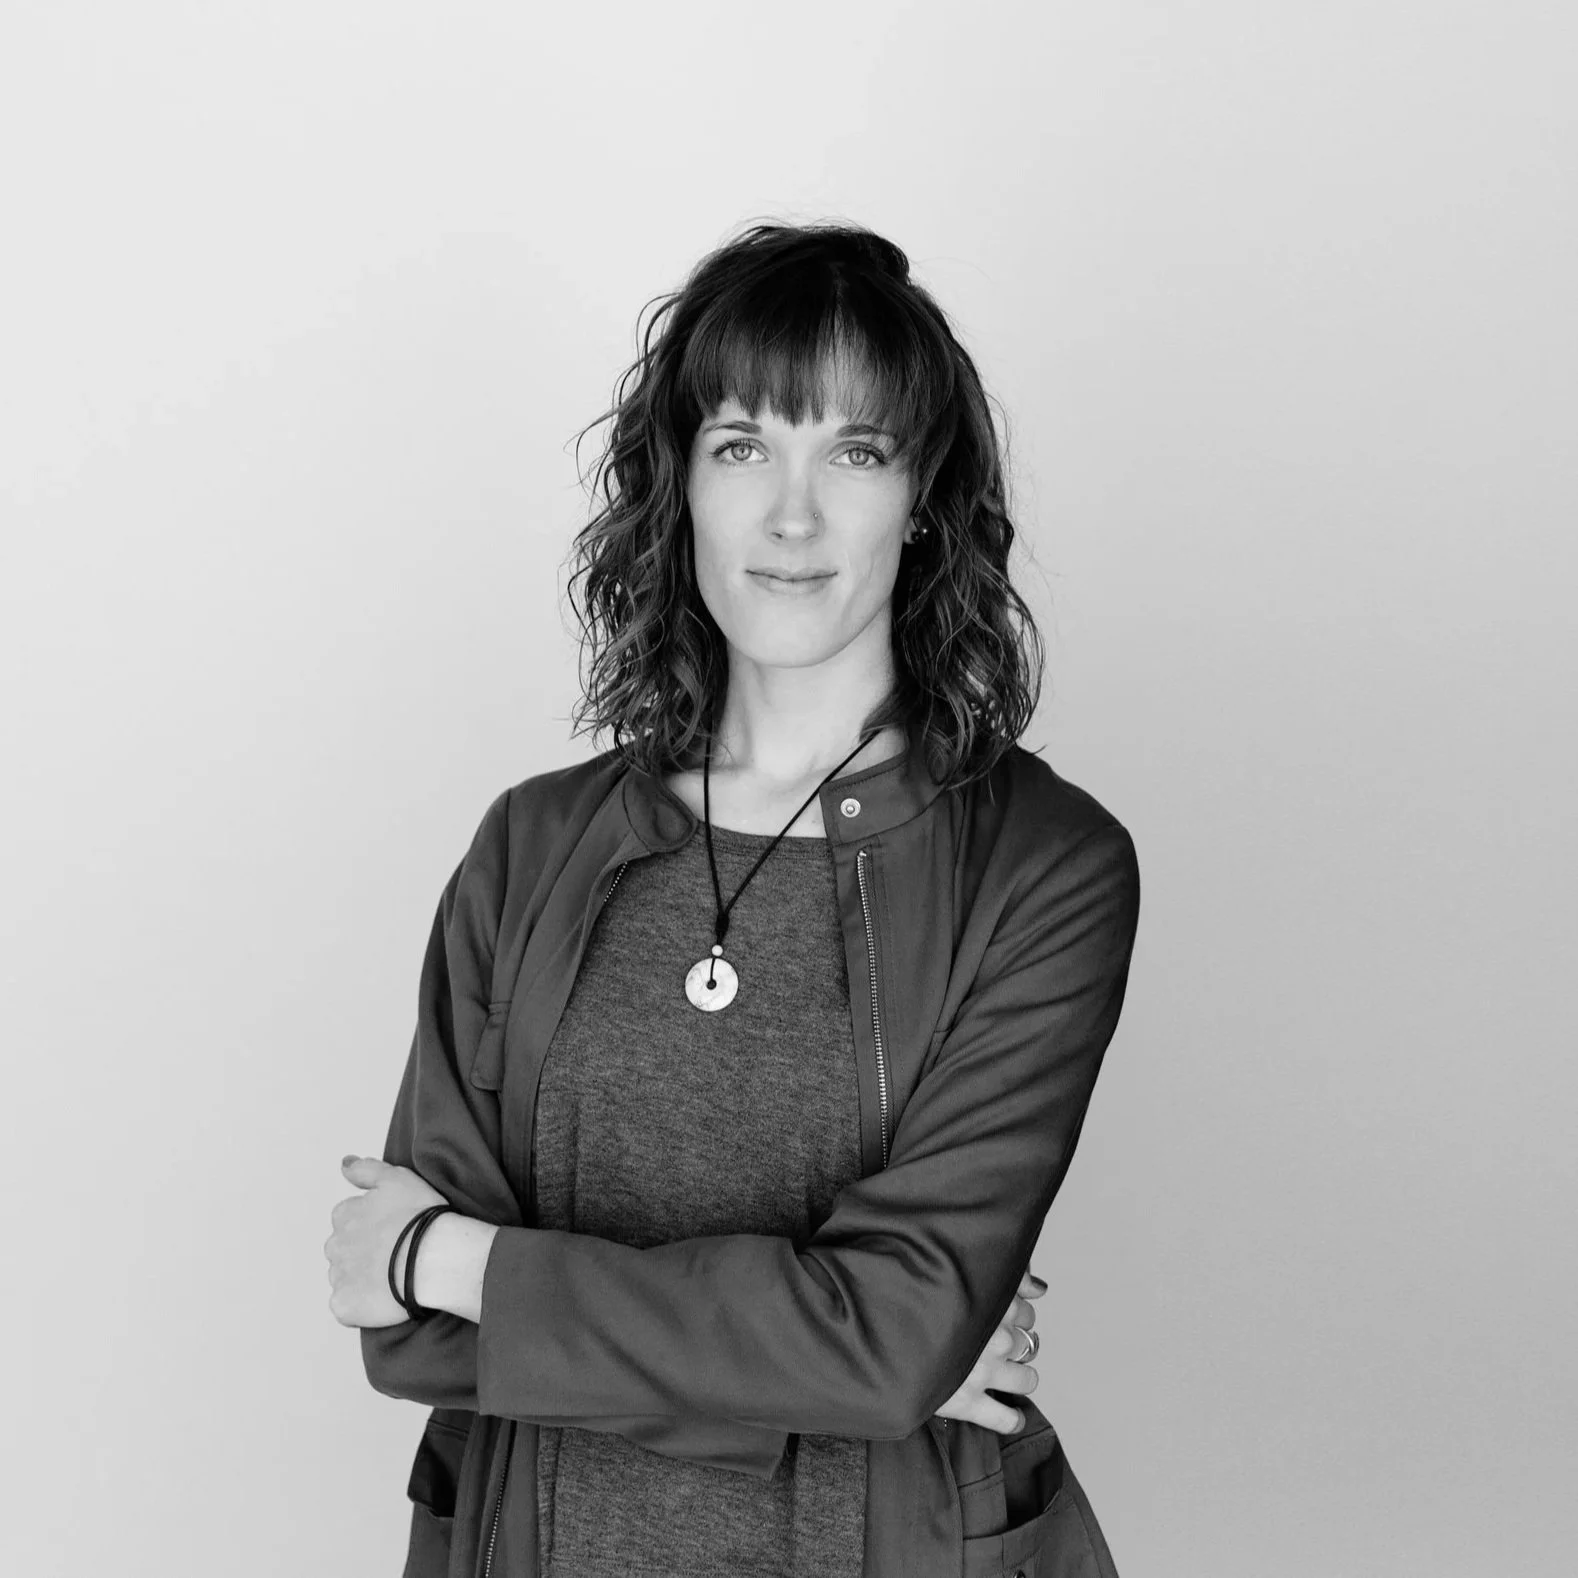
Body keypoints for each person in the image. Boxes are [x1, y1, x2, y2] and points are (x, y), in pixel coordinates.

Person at [324, 220, 1141, 1578]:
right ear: (681, 486)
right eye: (743, 445)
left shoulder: (1042, 866)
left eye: (855, 451)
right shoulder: (531, 845)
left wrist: (464, 1263)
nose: (793, 514)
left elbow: (886, 1340)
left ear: (922, 494)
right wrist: (835, 1357)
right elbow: (407, 1333)